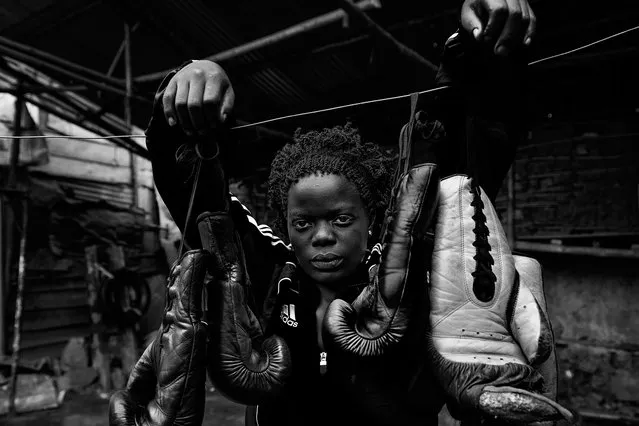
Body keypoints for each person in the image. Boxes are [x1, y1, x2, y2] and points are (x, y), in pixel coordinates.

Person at [110, 1, 554, 425]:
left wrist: (480, 52)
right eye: (303, 224)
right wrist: (187, 92)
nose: (321, 236)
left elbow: (459, 168)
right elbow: (201, 203)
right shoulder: (268, 274)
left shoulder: (406, 272)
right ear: (286, 225)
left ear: (371, 220)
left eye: (341, 219)